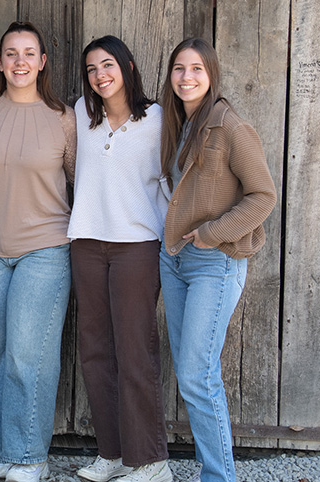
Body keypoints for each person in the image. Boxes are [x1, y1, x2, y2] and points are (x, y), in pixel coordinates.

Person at [0, 21, 76, 482]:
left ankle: (31, 458)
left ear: (43, 61)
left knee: (27, 355)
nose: (20, 61)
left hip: (44, 248)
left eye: (29, 53)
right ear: (0, 61)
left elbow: (79, 178)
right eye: (11, 53)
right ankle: (10, 450)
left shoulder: (63, 118)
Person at [159, 38, 275, 482]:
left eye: (196, 70)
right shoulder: (179, 124)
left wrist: (211, 233)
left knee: (195, 374)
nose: (186, 77)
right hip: (175, 261)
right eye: (178, 69)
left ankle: (219, 477)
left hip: (216, 261)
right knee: (194, 374)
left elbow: (263, 196)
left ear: (211, 75)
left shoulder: (229, 125)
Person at [67, 35, 172, 482]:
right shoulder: (80, 114)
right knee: (93, 352)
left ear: (128, 66)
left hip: (137, 246)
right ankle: (111, 455)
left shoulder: (157, 119)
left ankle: (151, 462)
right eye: (91, 69)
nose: (99, 75)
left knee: (134, 353)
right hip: (87, 242)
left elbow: (171, 180)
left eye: (107, 65)